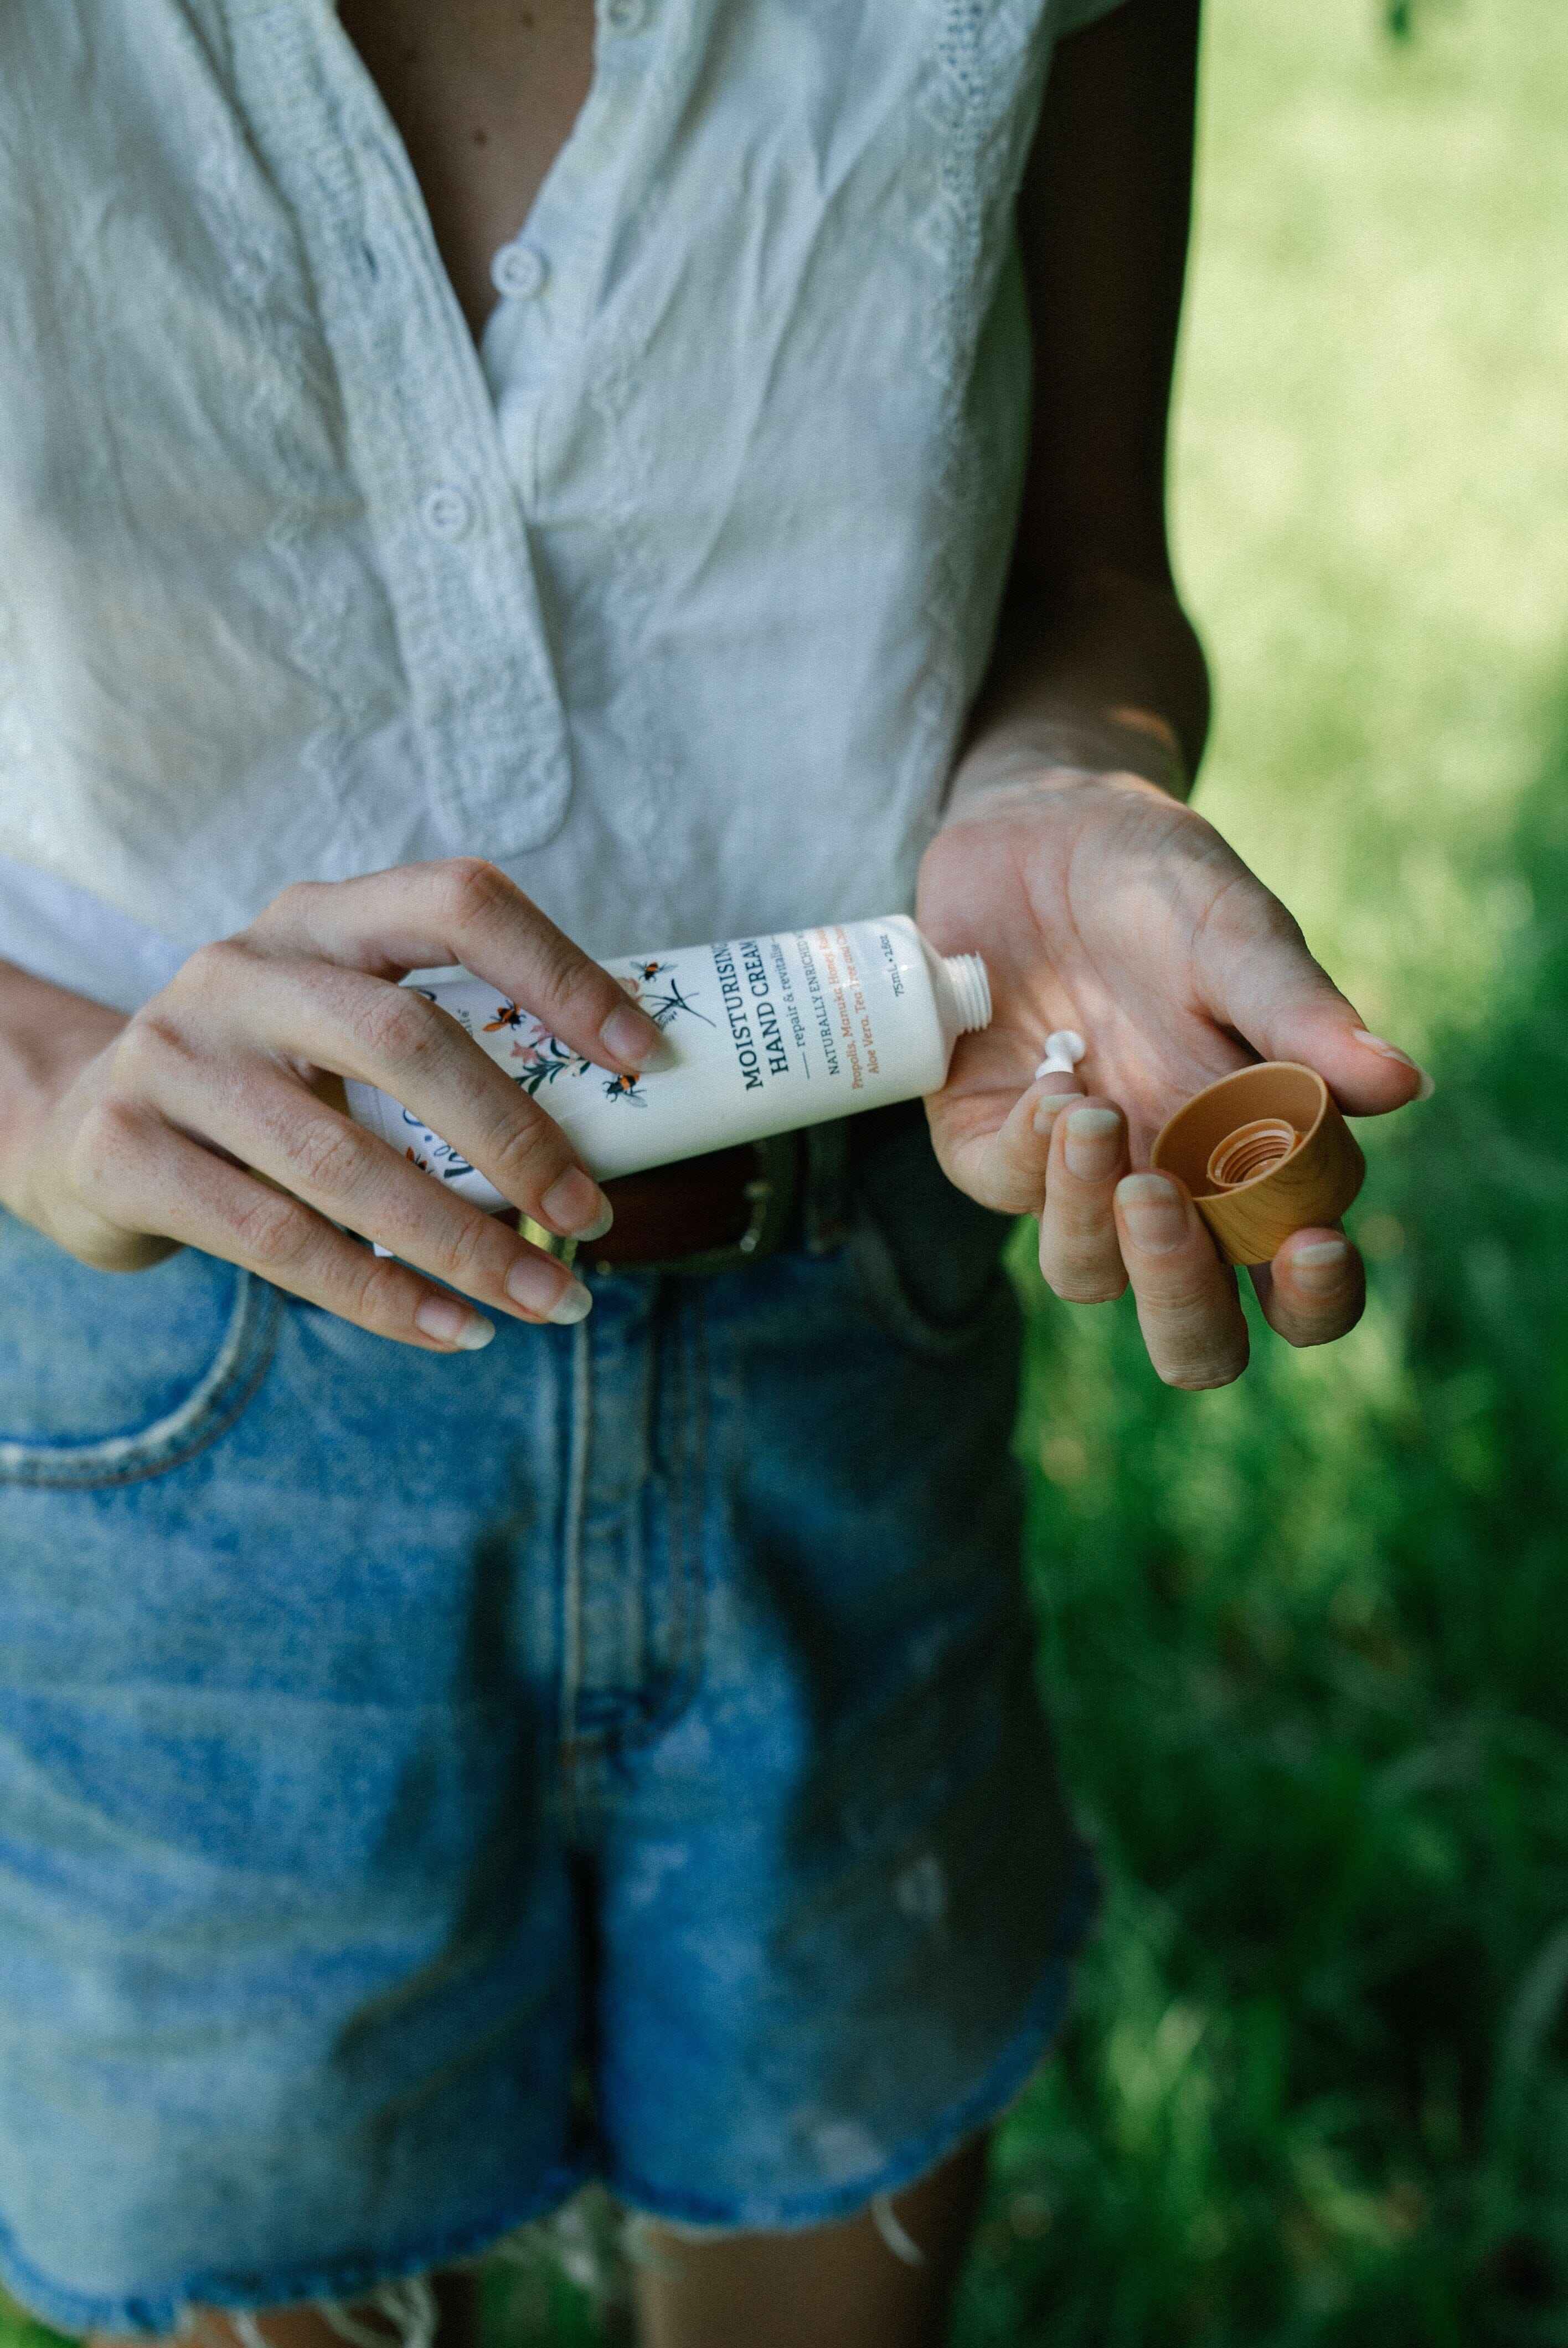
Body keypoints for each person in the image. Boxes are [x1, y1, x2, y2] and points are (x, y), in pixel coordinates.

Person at [0, 2, 1428, 2344]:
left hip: (846, 1312)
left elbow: (1091, 579)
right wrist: (46, 1078)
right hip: (176, 1407)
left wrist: (1079, 785)